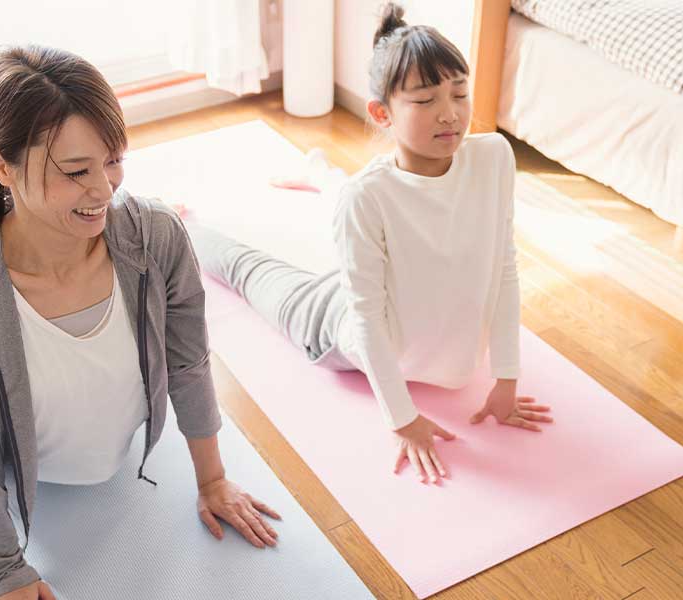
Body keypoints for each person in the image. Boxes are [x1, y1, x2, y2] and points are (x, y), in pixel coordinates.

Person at [0, 44, 280, 600]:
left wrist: (213, 479)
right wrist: (4, 573)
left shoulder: (157, 236)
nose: (104, 190)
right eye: (76, 171)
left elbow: (189, 362)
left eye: (113, 160)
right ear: (0, 165)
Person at [188, 2, 552, 488]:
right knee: (247, 270)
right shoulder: (368, 199)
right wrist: (402, 419)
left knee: (359, 196)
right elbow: (365, 319)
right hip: (339, 320)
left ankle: (319, 171)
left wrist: (506, 377)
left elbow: (503, 267)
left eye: (460, 93)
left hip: (394, 275)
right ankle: (182, 228)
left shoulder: (493, 157)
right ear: (382, 113)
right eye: (425, 101)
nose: (450, 114)